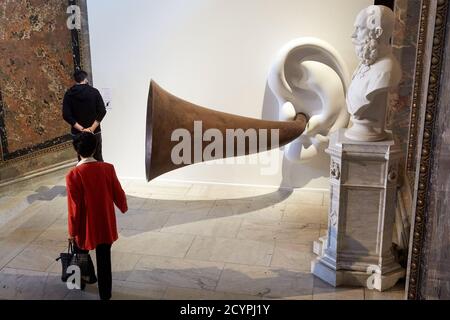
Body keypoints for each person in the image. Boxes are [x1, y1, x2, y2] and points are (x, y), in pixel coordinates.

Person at [66, 132, 128, 300]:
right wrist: (123, 206)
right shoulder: (108, 168)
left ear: (77, 151)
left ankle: (85, 280)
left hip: (86, 227)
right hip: (105, 224)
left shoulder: (73, 175)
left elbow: (74, 208)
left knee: (80, 252)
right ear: (95, 148)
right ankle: (105, 295)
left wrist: (72, 232)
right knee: (104, 260)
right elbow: (118, 193)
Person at [63, 70, 107, 161]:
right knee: (98, 158)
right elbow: (102, 111)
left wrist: (82, 129)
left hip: (78, 133)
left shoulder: (68, 94)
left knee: (82, 160)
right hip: (95, 132)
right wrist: (91, 129)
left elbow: (66, 115)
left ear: (75, 80)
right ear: (85, 79)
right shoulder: (94, 92)